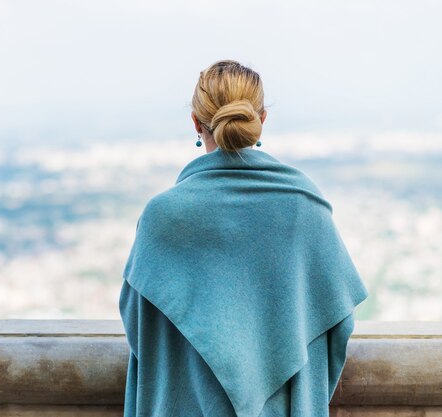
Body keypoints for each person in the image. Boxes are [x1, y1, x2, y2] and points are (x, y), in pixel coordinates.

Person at [118, 60, 369, 417]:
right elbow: (337, 327)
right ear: (261, 119)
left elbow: (140, 331)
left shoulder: (161, 218)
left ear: (195, 122)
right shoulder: (305, 210)